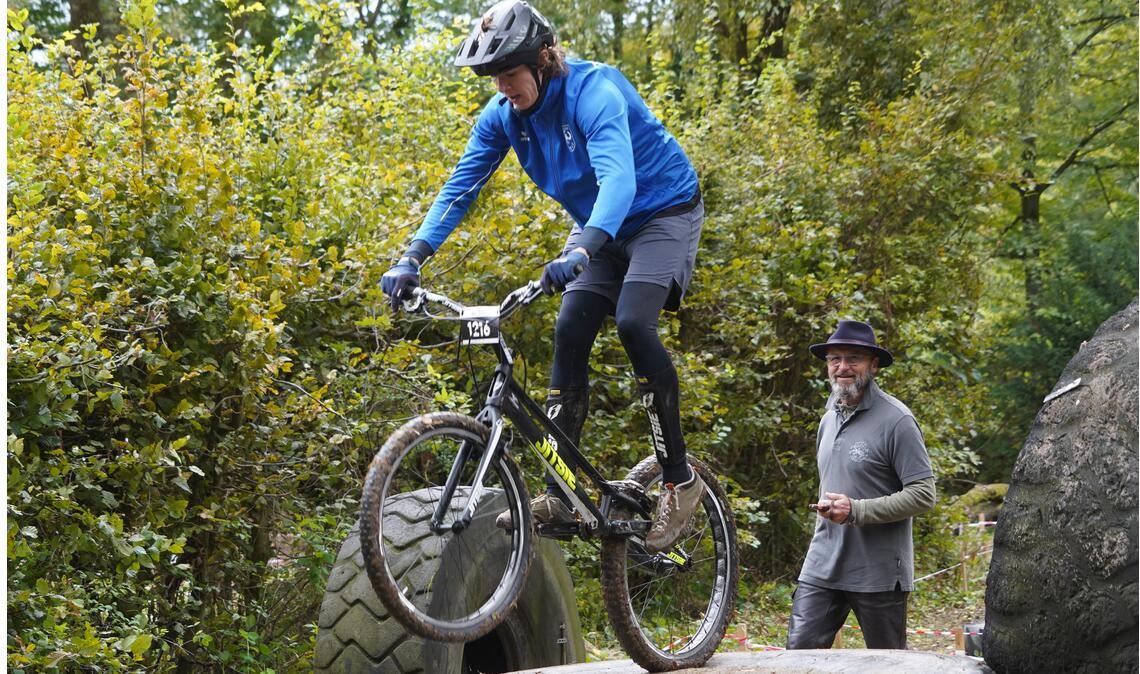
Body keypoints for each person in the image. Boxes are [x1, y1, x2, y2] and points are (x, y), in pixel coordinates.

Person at [379, 0, 705, 553]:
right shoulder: (504, 117)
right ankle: (559, 492)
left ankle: (680, 479)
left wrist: (582, 250)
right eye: (492, 77)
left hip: (662, 213)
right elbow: (460, 188)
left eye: (509, 73)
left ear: (542, 59)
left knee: (632, 322)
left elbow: (619, 182)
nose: (501, 87)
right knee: (570, 328)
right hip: (597, 226)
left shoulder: (594, 92)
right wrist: (413, 255)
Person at [787, 319, 937, 650]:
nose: (842, 367)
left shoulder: (897, 420)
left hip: (878, 574)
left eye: (853, 358)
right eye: (834, 359)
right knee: (797, 658)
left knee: (888, 665)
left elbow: (924, 494)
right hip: (822, 566)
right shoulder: (828, 419)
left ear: (874, 365)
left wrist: (857, 510)